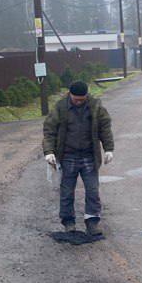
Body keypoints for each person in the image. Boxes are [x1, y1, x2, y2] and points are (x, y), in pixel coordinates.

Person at [43, 79, 115, 233]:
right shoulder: (60, 107)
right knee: (67, 191)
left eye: (82, 99)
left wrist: (109, 149)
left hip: (89, 156)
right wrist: (49, 152)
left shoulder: (95, 107)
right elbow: (49, 130)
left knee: (93, 190)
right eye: (76, 99)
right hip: (68, 156)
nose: (79, 102)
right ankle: (68, 222)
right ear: (70, 94)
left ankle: (92, 221)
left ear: (86, 96)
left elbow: (105, 128)